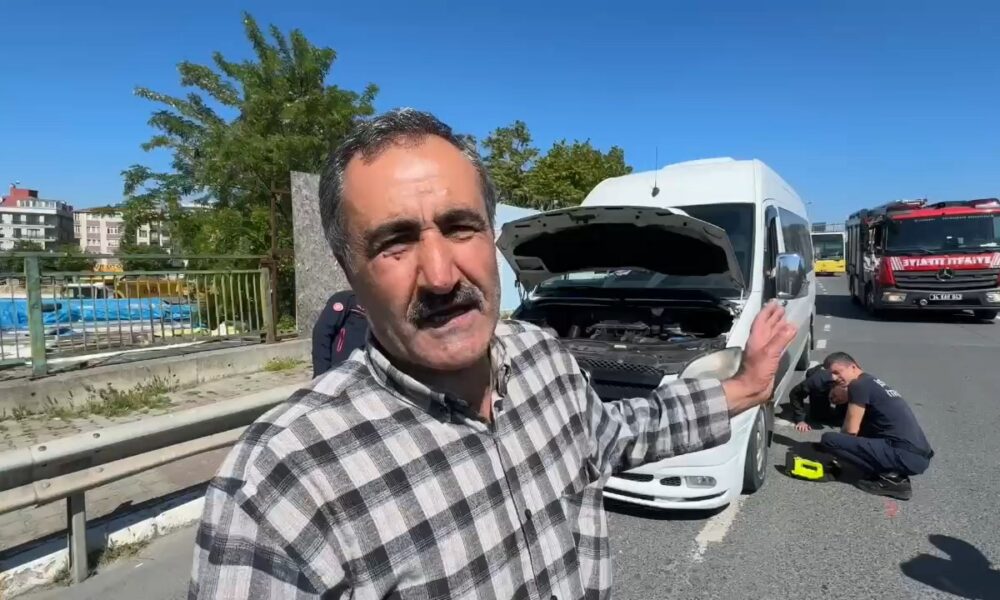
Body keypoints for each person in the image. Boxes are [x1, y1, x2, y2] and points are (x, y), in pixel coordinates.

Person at [189, 108, 797, 599]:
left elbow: (613, 434)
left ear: (490, 234)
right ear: (348, 269)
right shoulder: (282, 485)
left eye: (460, 227)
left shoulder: (541, 357)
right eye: (395, 242)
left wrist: (742, 387)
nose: (440, 274)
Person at [819, 352, 934, 501]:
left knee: (829, 440)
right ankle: (891, 469)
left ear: (853, 366)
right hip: (919, 454)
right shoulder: (871, 381)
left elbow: (850, 431)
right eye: (831, 375)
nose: (834, 378)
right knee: (863, 431)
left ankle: (891, 479)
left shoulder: (858, 385)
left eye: (837, 372)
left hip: (905, 455)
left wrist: (835, 455)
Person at [310, 289, 369, 377]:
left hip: (365, 373)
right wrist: (321, 373)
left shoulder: (382, 308)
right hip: (339, 369)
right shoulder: (347, 299)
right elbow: (322, 333)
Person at [787, 364, 847, 432]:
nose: (834, 400)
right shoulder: (818, 381)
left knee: (843, 419)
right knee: (819, 417)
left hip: (842, 390)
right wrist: (800, 420)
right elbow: (795, 394)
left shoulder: (855, 390)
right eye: (834, 396)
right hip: (820, 379)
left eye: (839, 400)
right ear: (833, 386)